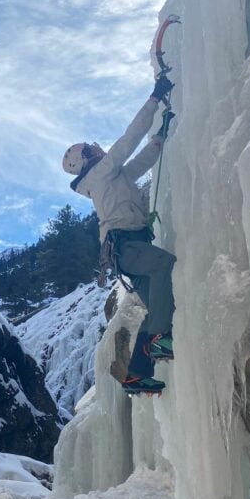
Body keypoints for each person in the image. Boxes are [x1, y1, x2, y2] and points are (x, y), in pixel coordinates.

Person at [61, 75, 176, 395]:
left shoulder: (110, 176)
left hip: (131, 247)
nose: (96, 146)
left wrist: (161, 137)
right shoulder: (100, 173)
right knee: (165, 265)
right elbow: (128, 140)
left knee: (158, 304)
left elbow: (141, 160)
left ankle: (134, 374)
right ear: (85, 159)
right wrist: (155, 100)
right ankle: (159, 343)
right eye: (89, 147)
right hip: (127, 247)